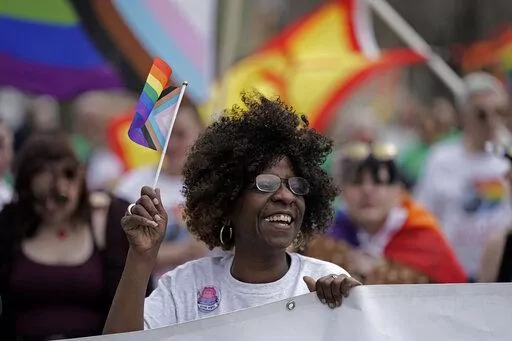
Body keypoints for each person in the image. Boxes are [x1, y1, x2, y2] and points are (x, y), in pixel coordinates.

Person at [103, 93, 360, 334]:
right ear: (228, 200)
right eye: (266, 184)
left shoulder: (326, 284)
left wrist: (354, 311)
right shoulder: (184, 286)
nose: (286, 196)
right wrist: (141, 257)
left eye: (296, 186)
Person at [0, 132, 146, 340]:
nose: (49, 207)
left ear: (79, 179)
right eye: (39, 199)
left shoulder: (110, 219)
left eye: (59, 198)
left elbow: (139, 298)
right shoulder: (10, 223)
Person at [305, 141, 466, 284]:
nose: (367, 190)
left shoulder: (425, 237)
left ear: (398, 190)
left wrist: (379, 271)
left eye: (379, 182)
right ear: (342, 190)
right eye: (356, 182)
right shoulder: (324, 238)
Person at [414, 72, 512, 280]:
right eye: (481, 113)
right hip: (455, 275)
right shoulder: (440, 159)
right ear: (464, 115)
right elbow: (423, 216)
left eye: (500, 111)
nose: (492, 120)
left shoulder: (508, 156)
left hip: (504, 273)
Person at [113, 102, 208, 277]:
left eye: (180, 135)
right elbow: (119, 250)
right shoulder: (133, 184)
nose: (171, 145)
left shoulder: (215, 185)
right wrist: (184, 251)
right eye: (166, 135)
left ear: (201, 135)